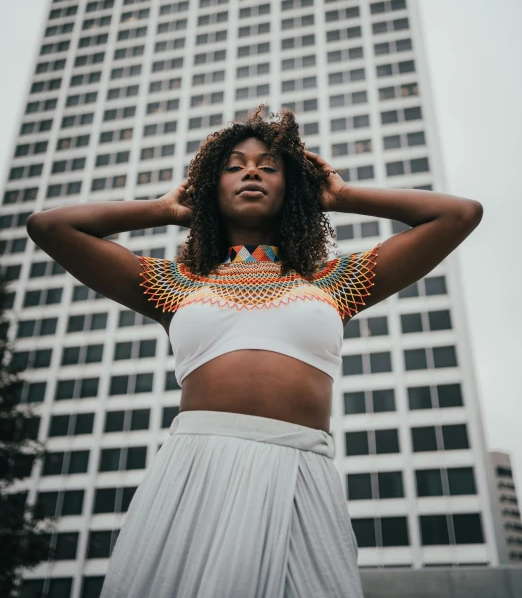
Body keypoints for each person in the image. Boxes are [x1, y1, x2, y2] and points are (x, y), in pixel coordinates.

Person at [26, 107, 483, 597]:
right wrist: (164, 208)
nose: (250, 172)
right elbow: (52, 228)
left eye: (268, 165)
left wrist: (342, 195)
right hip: (195, 468)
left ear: (292, 189)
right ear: (210, 188)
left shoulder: (336, 282)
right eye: (233, 165)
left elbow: (459, 215)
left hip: (301, 468)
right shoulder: (171, 284)